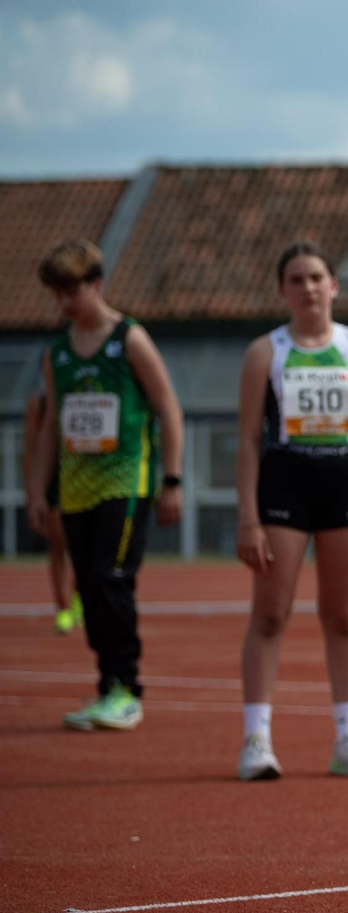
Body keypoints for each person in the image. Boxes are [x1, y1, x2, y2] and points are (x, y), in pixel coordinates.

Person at [233, 242, 348, 781]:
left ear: (334, 287)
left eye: (316, 277)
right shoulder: (266, 352)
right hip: (285, 483)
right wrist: (247, 517)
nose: (307, 287)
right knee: (271, 615)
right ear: (282, 290)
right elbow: (245, 438)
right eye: (296, 278)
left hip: (345, 484)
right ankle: (256, 740)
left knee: (342, 616)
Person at [27, 239, 184, 730]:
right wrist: (37, 490)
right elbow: (51, 425)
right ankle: (108, 686)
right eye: (57, 294)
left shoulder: (129, 340)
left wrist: (172, 479)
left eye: (72, 291)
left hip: (125, 482)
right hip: (75, 490)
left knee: (110, 578)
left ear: (97, 285)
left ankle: (125, 688)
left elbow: (168, 408)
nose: (64, 303)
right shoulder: (57, 354)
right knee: (88, 587)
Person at [23, 387, 81, 634]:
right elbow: (30, 449)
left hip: (87, 475)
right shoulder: (40, 403)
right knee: (58, 544)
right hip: (55, 478)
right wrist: (33, 492)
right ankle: (63, 606)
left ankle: (79, 597)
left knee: (85, 547)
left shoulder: (89, 393)